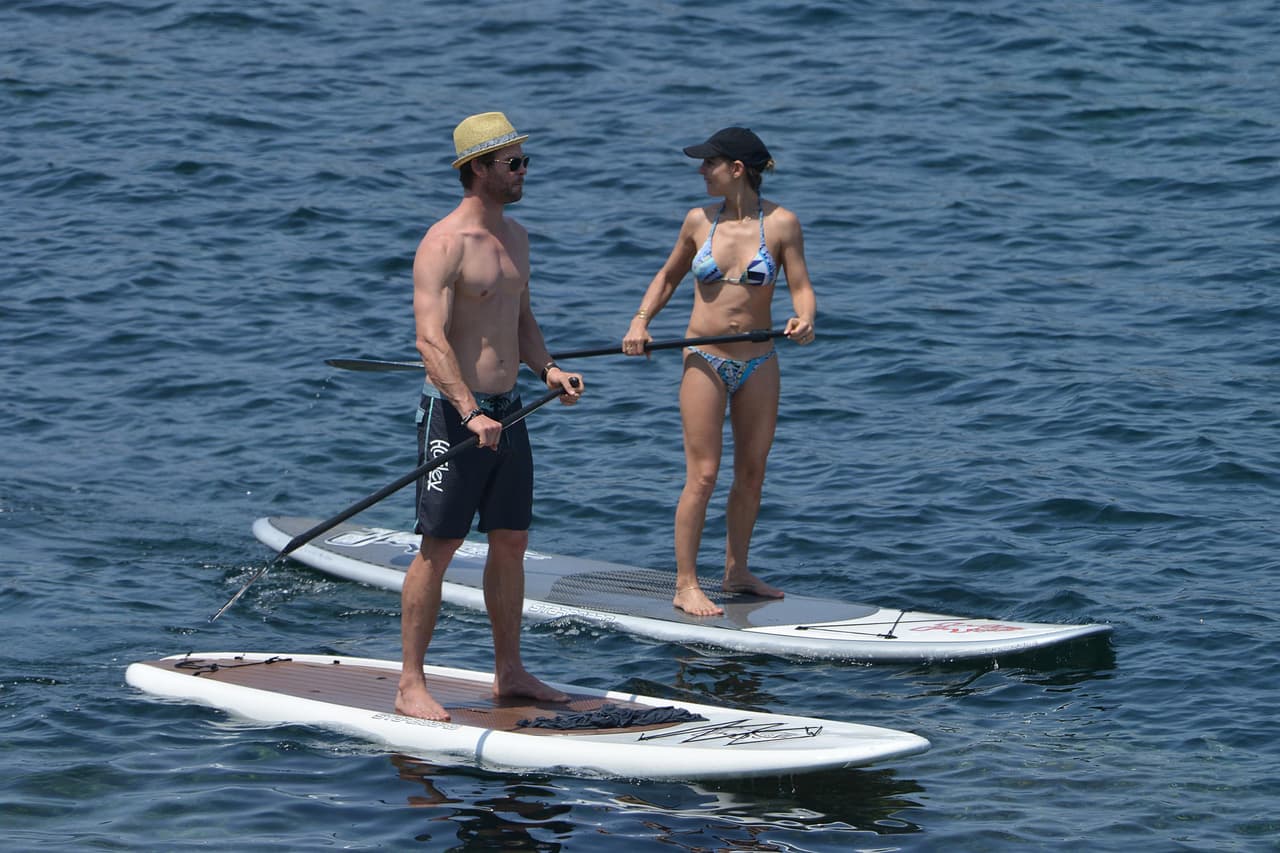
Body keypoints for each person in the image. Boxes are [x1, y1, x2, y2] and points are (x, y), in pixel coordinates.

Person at [397, 112, 584, 721]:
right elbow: (430, 340)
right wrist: (469, 410)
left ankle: (511, 672)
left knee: (511, 542)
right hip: (455, 417)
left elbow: (521, 322)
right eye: (513, 163)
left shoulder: (518, 238)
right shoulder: (444, 244)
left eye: (525, 160)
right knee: (440, 546)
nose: (524, 171)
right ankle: (410, 683)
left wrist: (548, 370)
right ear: (478, 169)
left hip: (511, 411)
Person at [622, 127, 816, 617]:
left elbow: (801, 286)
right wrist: (640, 322)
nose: (700, 171)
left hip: (760, 362)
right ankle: (685, 583)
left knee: (751, 473)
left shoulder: (782, 224)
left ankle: (736, 570)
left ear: (736, 170)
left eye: (709, 163)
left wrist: (805, 318)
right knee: (704, 475)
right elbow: (667, 277)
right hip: (703, 359)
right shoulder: (697, 221)